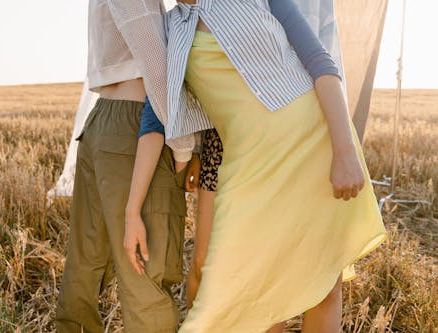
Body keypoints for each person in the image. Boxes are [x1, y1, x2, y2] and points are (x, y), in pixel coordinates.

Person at [162, 0, 387, 331]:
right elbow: (164, 100)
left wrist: (345, 151)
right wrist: (189, 149)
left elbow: (321, 63)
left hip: (314, 143)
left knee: (323, 283)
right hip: (246, 165)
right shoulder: (166, 28)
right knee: (249, 292)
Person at [54, 1, 191, 332]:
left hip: (101, 119)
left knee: (84, 270)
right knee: (145, 277)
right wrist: (184, 149)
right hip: (137, 124)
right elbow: (157, 70)